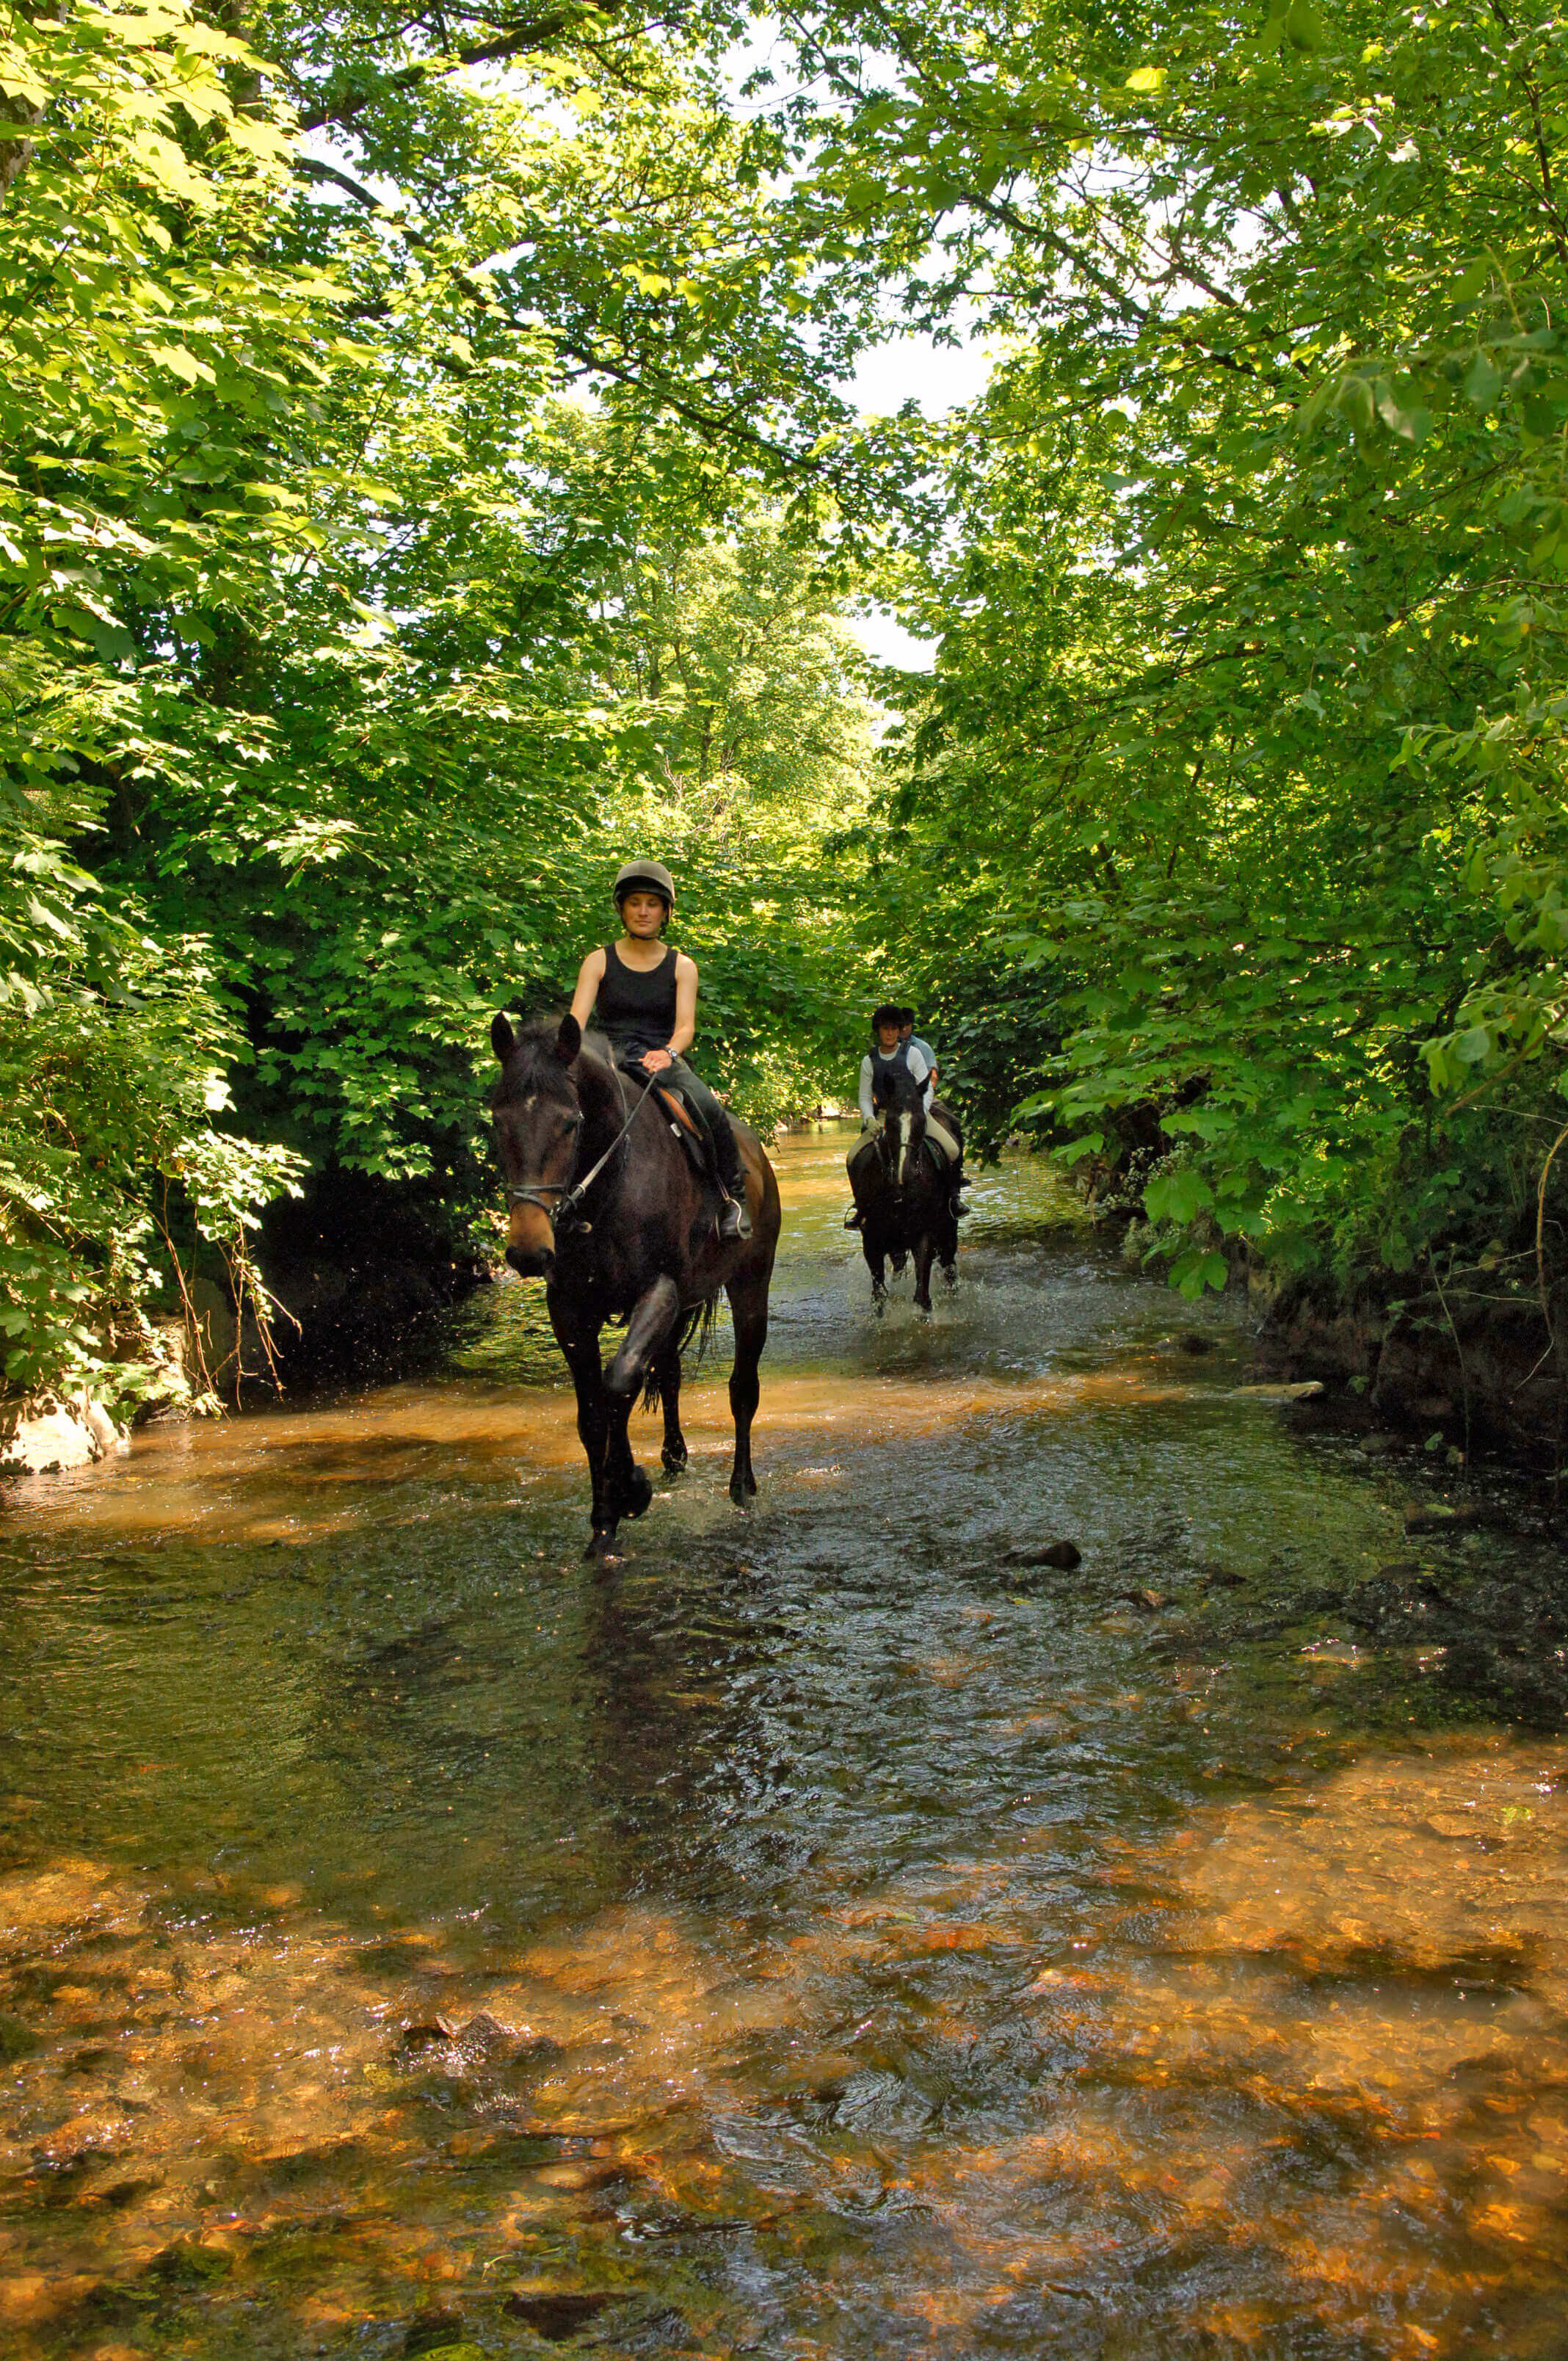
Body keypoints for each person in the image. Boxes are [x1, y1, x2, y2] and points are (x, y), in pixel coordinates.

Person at [569, 858, 751, 1241]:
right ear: (621, 908)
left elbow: (685, 1027)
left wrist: (667, 1053)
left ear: (666, 910)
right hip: (607, 1057)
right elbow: (577, 1024)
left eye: (652, 904)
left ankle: (733, 1198)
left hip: (659, 1058)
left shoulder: (682, 966)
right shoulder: (597, 961)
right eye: (634, 902)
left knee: (709, 1109)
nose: (643, 911)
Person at [845, 1002, 963, 1225]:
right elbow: (864, 1096)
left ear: (899, 1030)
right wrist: (869, 1119)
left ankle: (952, 1199)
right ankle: (861, 1208)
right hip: (883, 1118)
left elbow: (926, 1087)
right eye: (885, 1028)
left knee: (952, 1149)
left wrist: (920, 1112)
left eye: (893, 1028)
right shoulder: (869, 1061)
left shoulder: (914, 1054)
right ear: (878, 1031)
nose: (889, 1033)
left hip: (915, 1114)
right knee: (852, 1158)